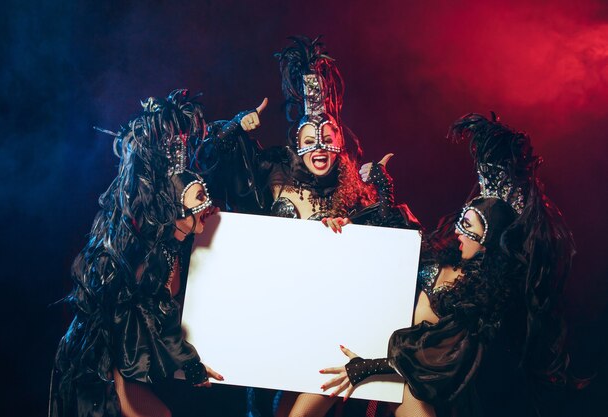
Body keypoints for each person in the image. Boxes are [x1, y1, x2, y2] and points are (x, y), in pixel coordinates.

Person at [194, 36, 420, 417]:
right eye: (309, 138)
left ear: (340, 144)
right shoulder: (271, 174)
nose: (319, 147)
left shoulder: (354, 192)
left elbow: (395, 254)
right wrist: (235, 128)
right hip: (276, 321)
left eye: (327, 139)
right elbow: (211, 165)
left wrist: (360, 219)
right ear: (295, 143)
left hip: (327, 329)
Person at [319, 113, 575, 417]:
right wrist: (375, 198)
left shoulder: (483, 298)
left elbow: (439, 357)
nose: (458, 231)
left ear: (489, 241)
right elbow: (398, 241)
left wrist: (372, 367)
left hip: (423, 387)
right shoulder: (443, 256)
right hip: (380, 362)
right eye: (461, 220)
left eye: (469, 227)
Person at [49, 89, 224, 417]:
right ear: (175, 207)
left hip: (127, 368)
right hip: (102, 371)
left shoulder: (176, 249)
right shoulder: (143, 255)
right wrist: (187, 361)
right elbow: (122, 323)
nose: (208, 205)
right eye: (200, 197)